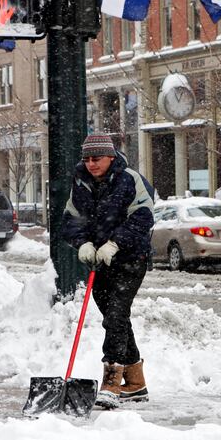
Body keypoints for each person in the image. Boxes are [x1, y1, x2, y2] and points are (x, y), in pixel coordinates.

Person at [61, 133, 155, 410]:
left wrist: (115, 243)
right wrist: (83, 243)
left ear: (110, 157)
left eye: (97, 158)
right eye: (87, 159)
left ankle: (112, 380)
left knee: (115, 315)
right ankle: (136, 384)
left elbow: (143, 217)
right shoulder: (80, 182)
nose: (91, 164)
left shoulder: (129, 180)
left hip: (130, 259)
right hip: (98, 262)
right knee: (117, 319)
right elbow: (72, 218)